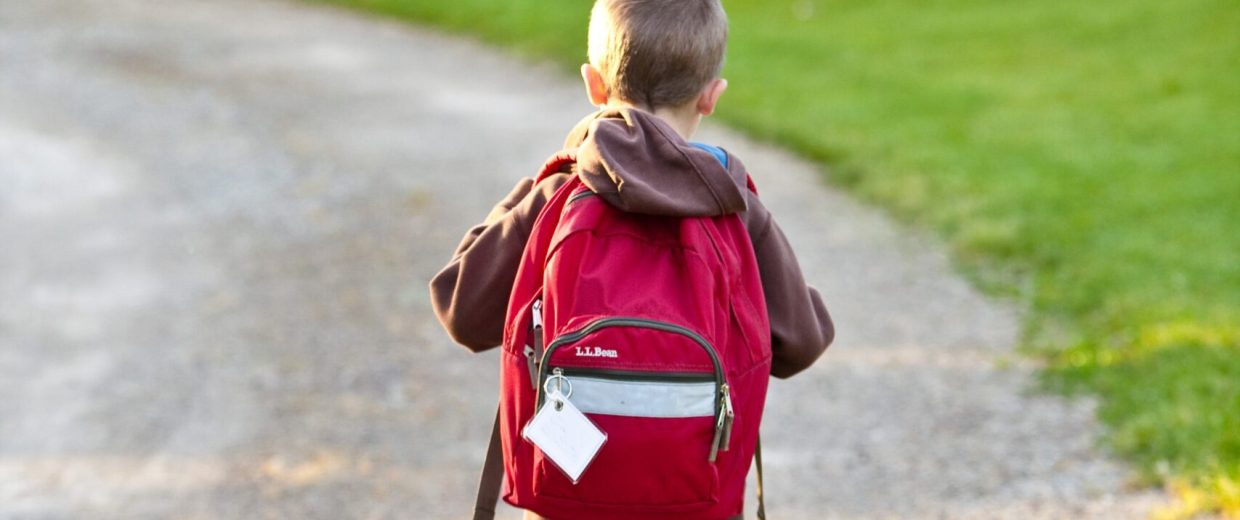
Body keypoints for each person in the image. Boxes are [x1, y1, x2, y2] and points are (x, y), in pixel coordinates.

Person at [430, 0, 833, 517]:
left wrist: (533, 189)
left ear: (594, 85)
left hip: (564, 501)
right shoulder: (734, 206)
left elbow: (462, 310)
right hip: (697, 500)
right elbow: (801, 344)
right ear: (711, 96)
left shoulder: (559, 193)